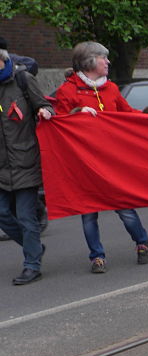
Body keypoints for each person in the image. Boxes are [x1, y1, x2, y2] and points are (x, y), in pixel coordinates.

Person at [54, 41, 148, 273]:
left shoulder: (111, 89)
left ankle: (142, 242)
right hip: (83, 164)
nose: (108, 62)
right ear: (89, 61)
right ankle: (97, 257)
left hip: (112, 163)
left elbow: (129, 115)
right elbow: (58, 124)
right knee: (88, 215)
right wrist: (77, 114)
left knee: (125, 210)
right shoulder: (67, 90)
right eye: (103, 58)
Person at [0, 48, 53, 284]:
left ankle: (32, 264)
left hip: (25, 160)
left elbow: (46, 105)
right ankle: (34, 247)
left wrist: (45, 111)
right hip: (1, 164)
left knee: (25, 216)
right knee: (2, 213)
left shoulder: (22, 80)